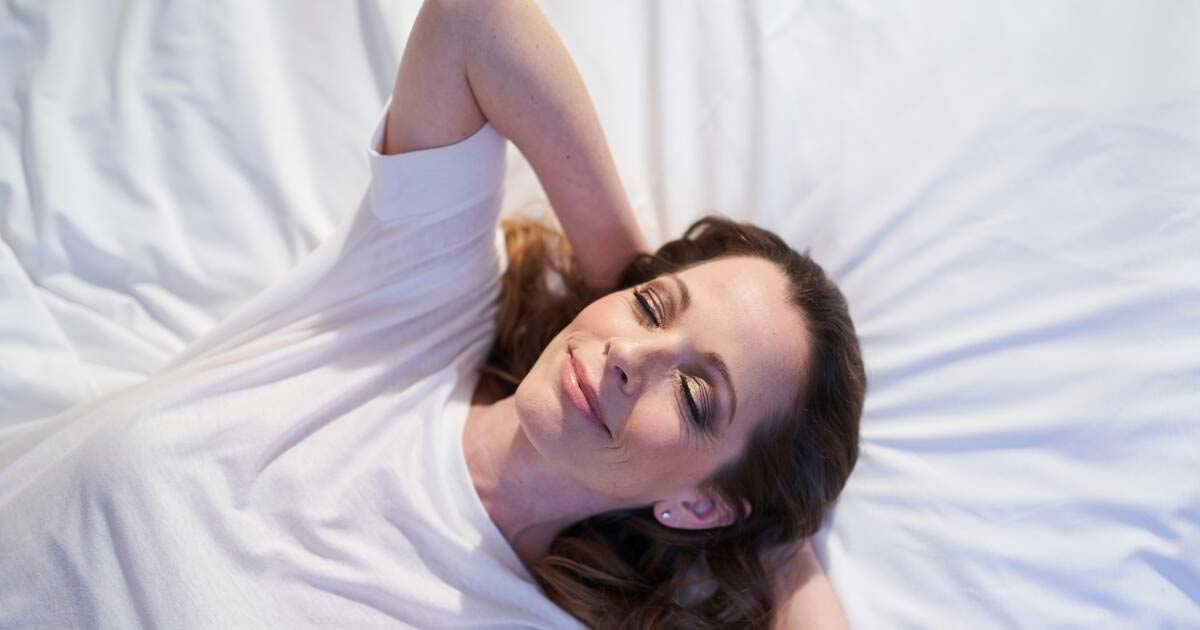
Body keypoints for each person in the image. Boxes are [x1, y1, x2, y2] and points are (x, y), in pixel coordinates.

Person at [0, 0, 863, 628]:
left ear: (698, 508)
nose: (635, 357)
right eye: (650, 309)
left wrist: (775, 540)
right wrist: (629, 277)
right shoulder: (416, 311)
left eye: (698, 395)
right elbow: (473, 20)